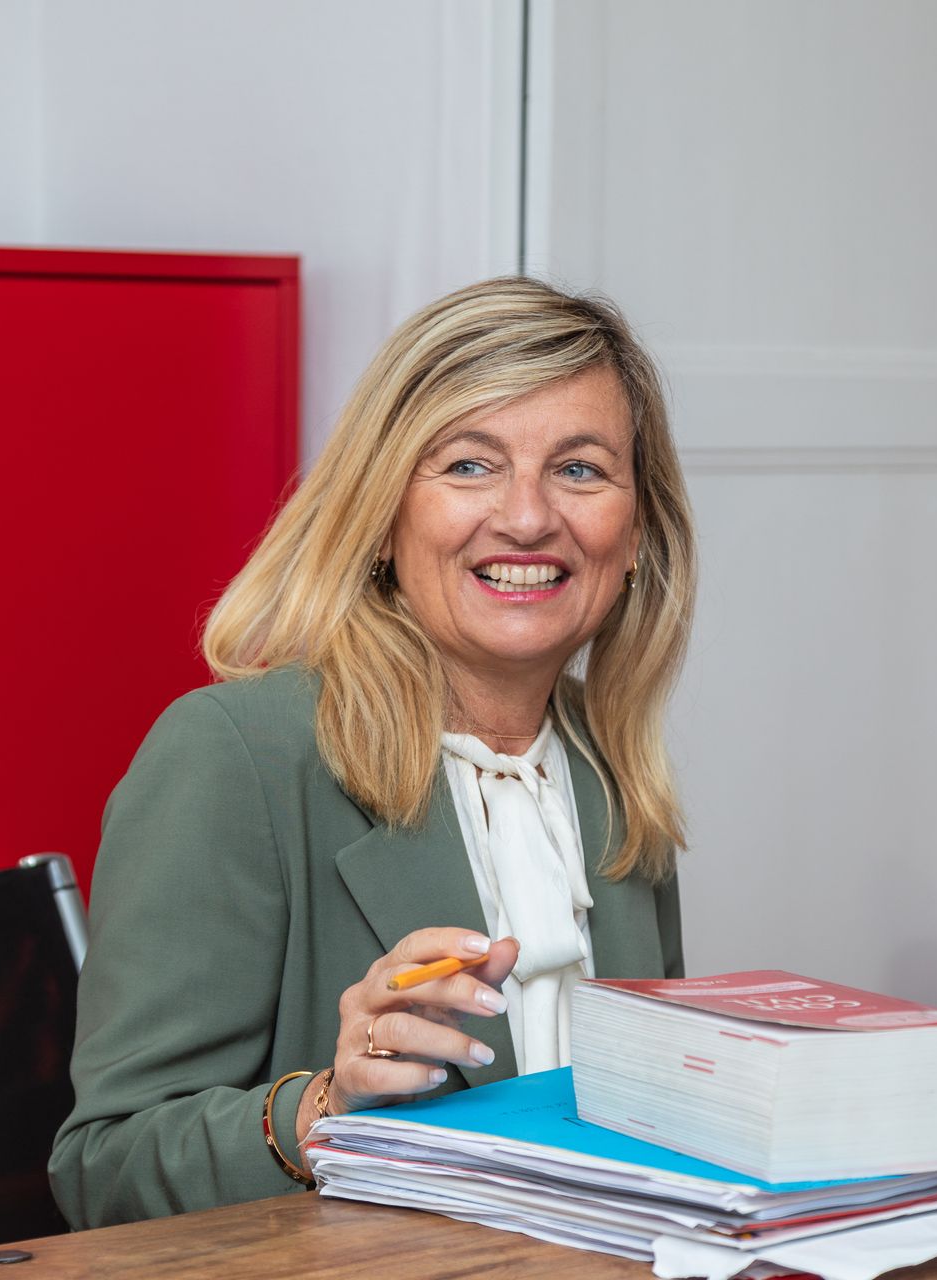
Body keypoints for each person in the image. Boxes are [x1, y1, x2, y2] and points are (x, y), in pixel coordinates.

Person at [50, 277, 696, 1227]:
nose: (526, 518)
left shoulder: (608, 767)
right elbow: (104, 1170)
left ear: (637, 531)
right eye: (470, 466)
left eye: (581, 469)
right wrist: (330, 1108)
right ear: (383, 517)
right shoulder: (234, 756)